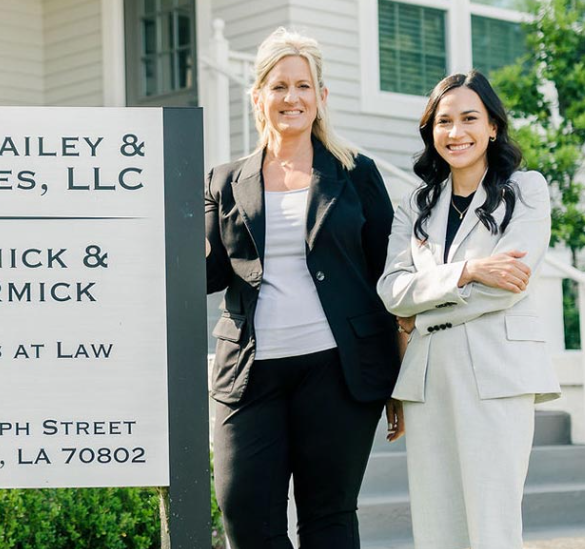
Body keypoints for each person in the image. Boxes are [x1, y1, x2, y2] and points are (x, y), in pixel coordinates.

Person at [205, 27, 404, 549]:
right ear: (258, 96)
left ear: (320, 96)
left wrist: (399, 376)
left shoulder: (355, 172)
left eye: (302, 85)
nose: (290, 97)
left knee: (328, 518)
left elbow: (389, 275)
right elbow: (206, 275)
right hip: (248, 372)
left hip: (337, 368)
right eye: (278, 86)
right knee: (245, 517)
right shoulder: (223, 181)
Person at [376, 70, 562, 549]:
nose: (455, 132)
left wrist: (424, 311)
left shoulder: (526, 190)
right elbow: (392, 291)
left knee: (492, 522)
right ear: (430, 130)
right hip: (428, 377)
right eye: (444, 121)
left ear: (493, 126)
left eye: (469, 118)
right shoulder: (416, 203)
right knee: (438, 525)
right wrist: (468, 271)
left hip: (496, 373)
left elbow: (509, 288)